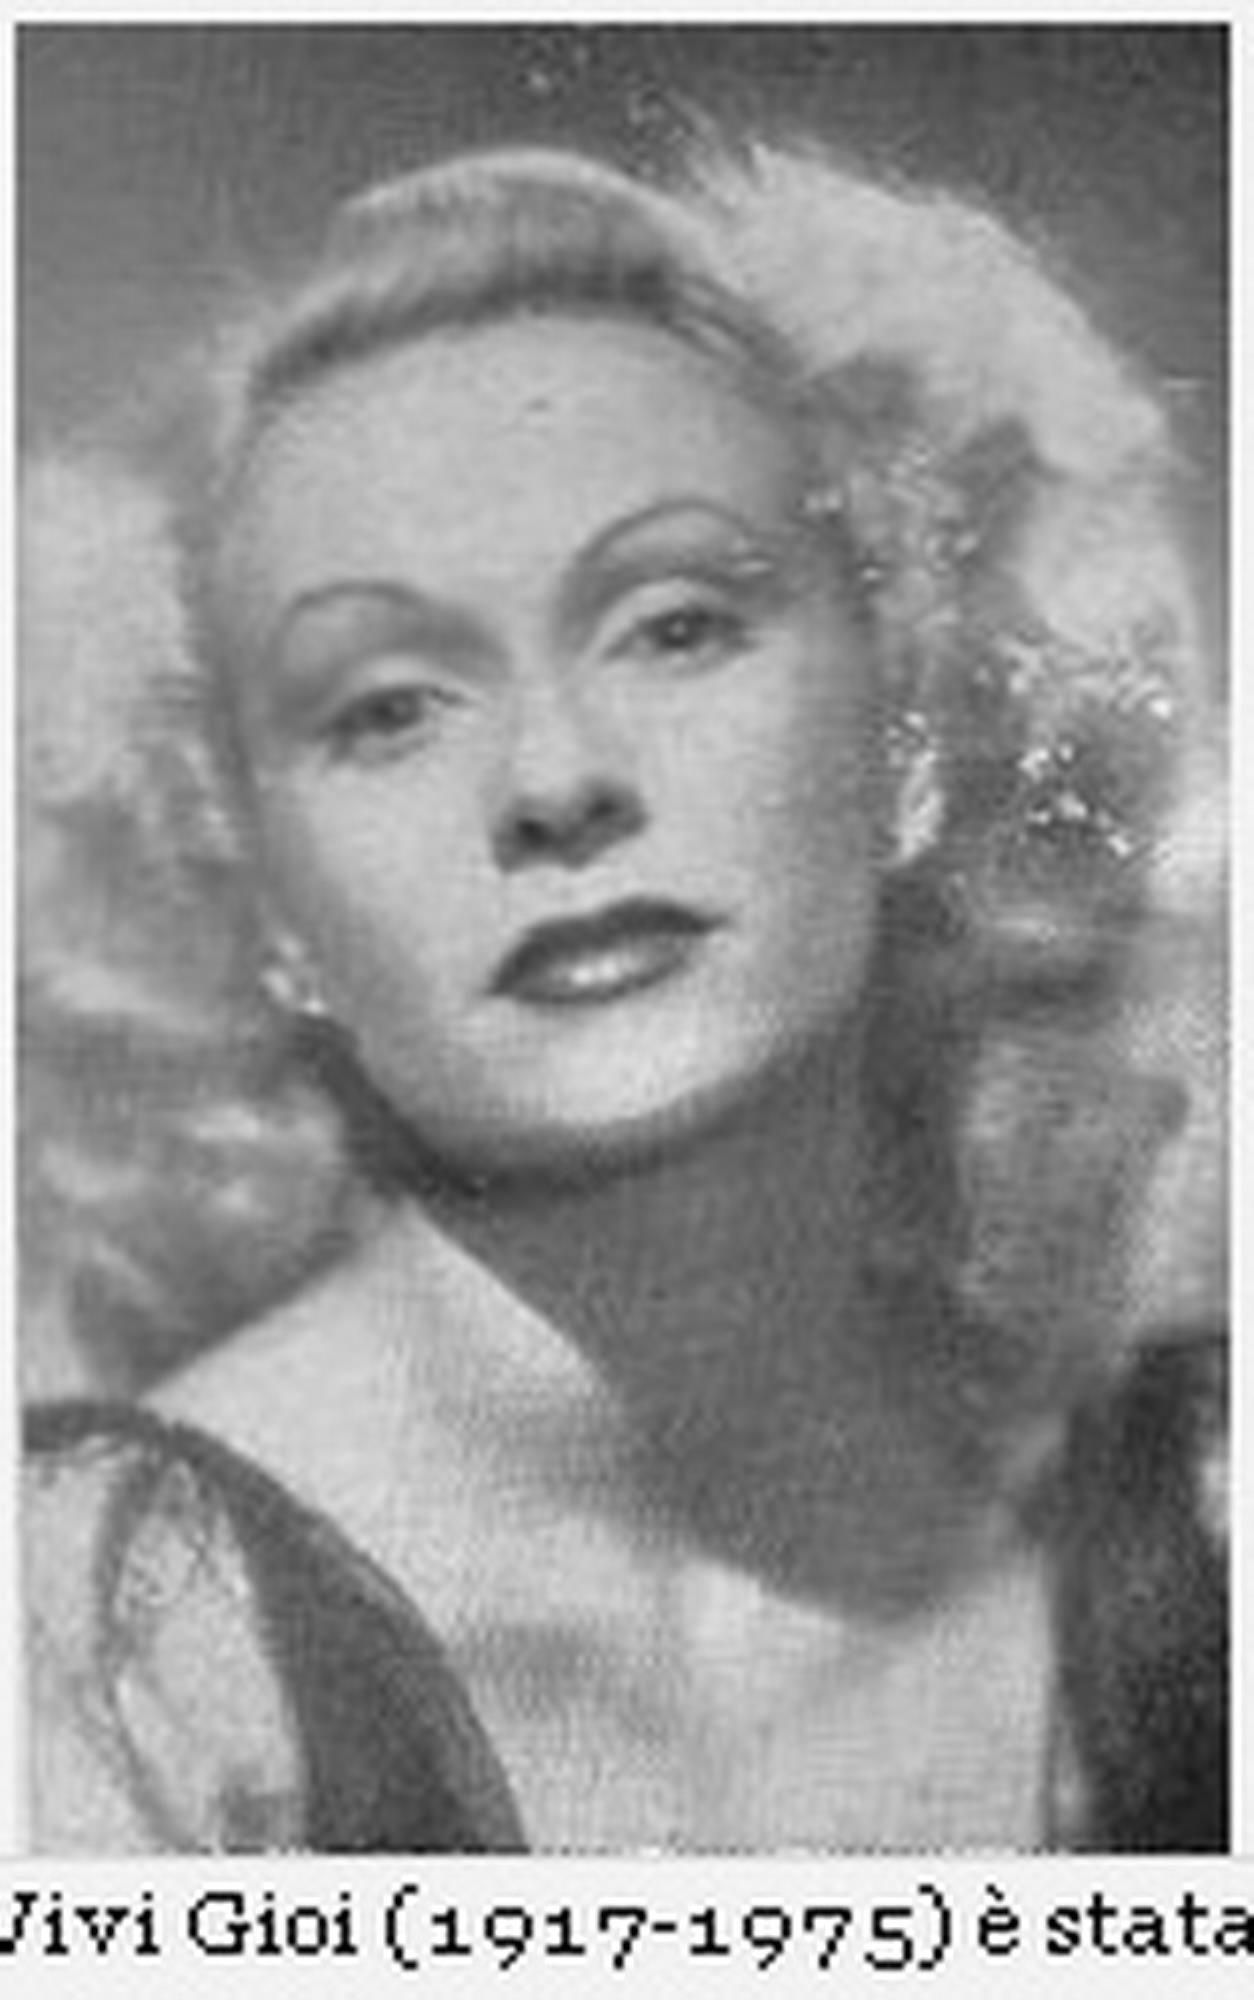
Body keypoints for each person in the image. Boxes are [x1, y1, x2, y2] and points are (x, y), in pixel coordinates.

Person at [20, 138, 1227, 1853]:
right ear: (260, 896)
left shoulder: (1197, 1516)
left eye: (672, 625)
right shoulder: (89, 1646)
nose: (555, 782)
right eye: (384, 707)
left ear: (902, 734)